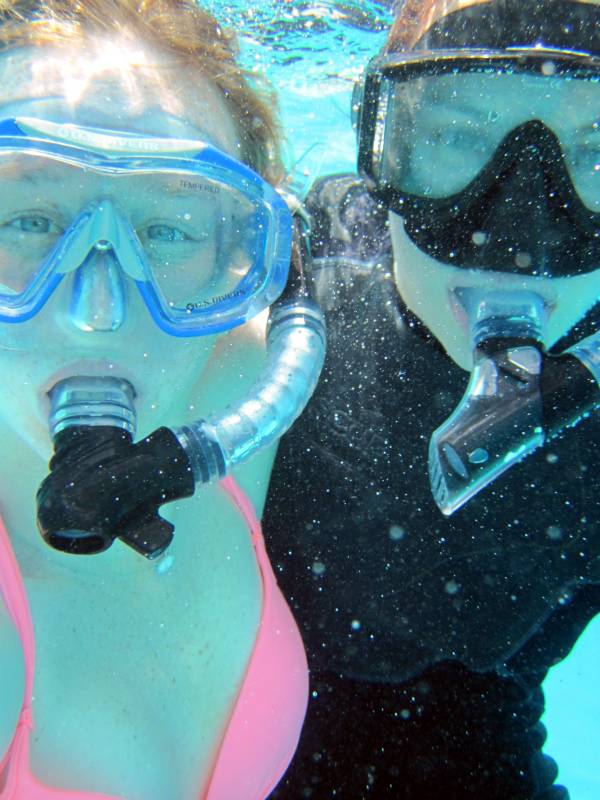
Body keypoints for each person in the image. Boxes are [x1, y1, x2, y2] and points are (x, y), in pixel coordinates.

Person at [265, 0, 600, 797]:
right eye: (456, 136)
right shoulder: (271, 341)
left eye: (595, 150)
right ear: (380, 146)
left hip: (490, 742)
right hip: (246, 750)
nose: (521, 230)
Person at [0, 1, 327, 798]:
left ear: (242, 260)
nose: (97, 312)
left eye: (171, 229)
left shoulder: (240, 381)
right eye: (30, 219)